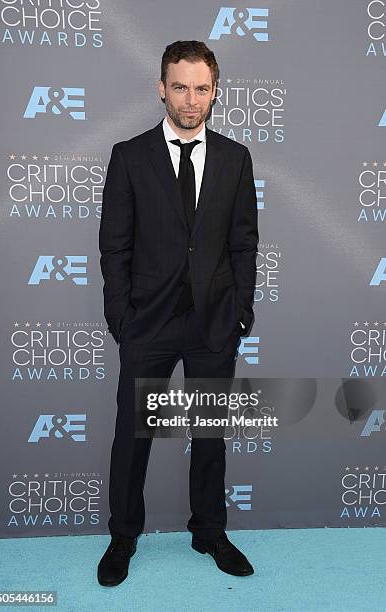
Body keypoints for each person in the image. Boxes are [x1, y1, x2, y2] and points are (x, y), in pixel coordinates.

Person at [97, 40, 258, 587]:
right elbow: (114, 246)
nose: (192, 100)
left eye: (203, 89)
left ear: (215, 93)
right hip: (148, 322)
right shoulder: (129, 156)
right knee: (133, 436)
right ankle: (123, 537)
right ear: (161, 88)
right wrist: (121, 315)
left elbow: (244, 244)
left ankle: (209, 531)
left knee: (210, 435)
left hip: (214, 321)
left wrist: (240, 309)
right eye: (181, 87)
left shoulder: (236, 159)